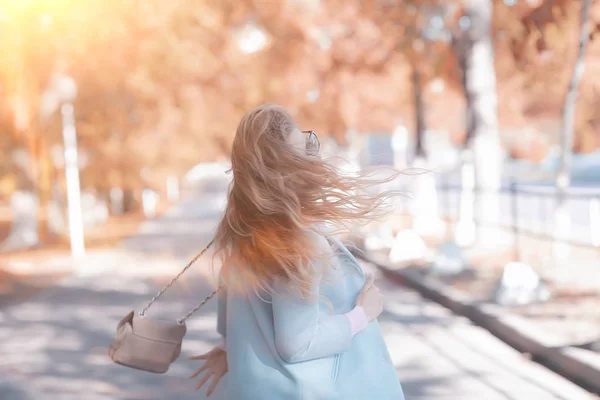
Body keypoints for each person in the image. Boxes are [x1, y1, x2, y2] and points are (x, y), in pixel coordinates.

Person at [189, 104, 405, 399]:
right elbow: (296, 344)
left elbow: (233, 306)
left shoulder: (243, 232)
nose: (313, 158)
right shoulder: (296, 242)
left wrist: (231, 348)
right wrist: (362, 315)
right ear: (288, 168)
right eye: (306, 148)